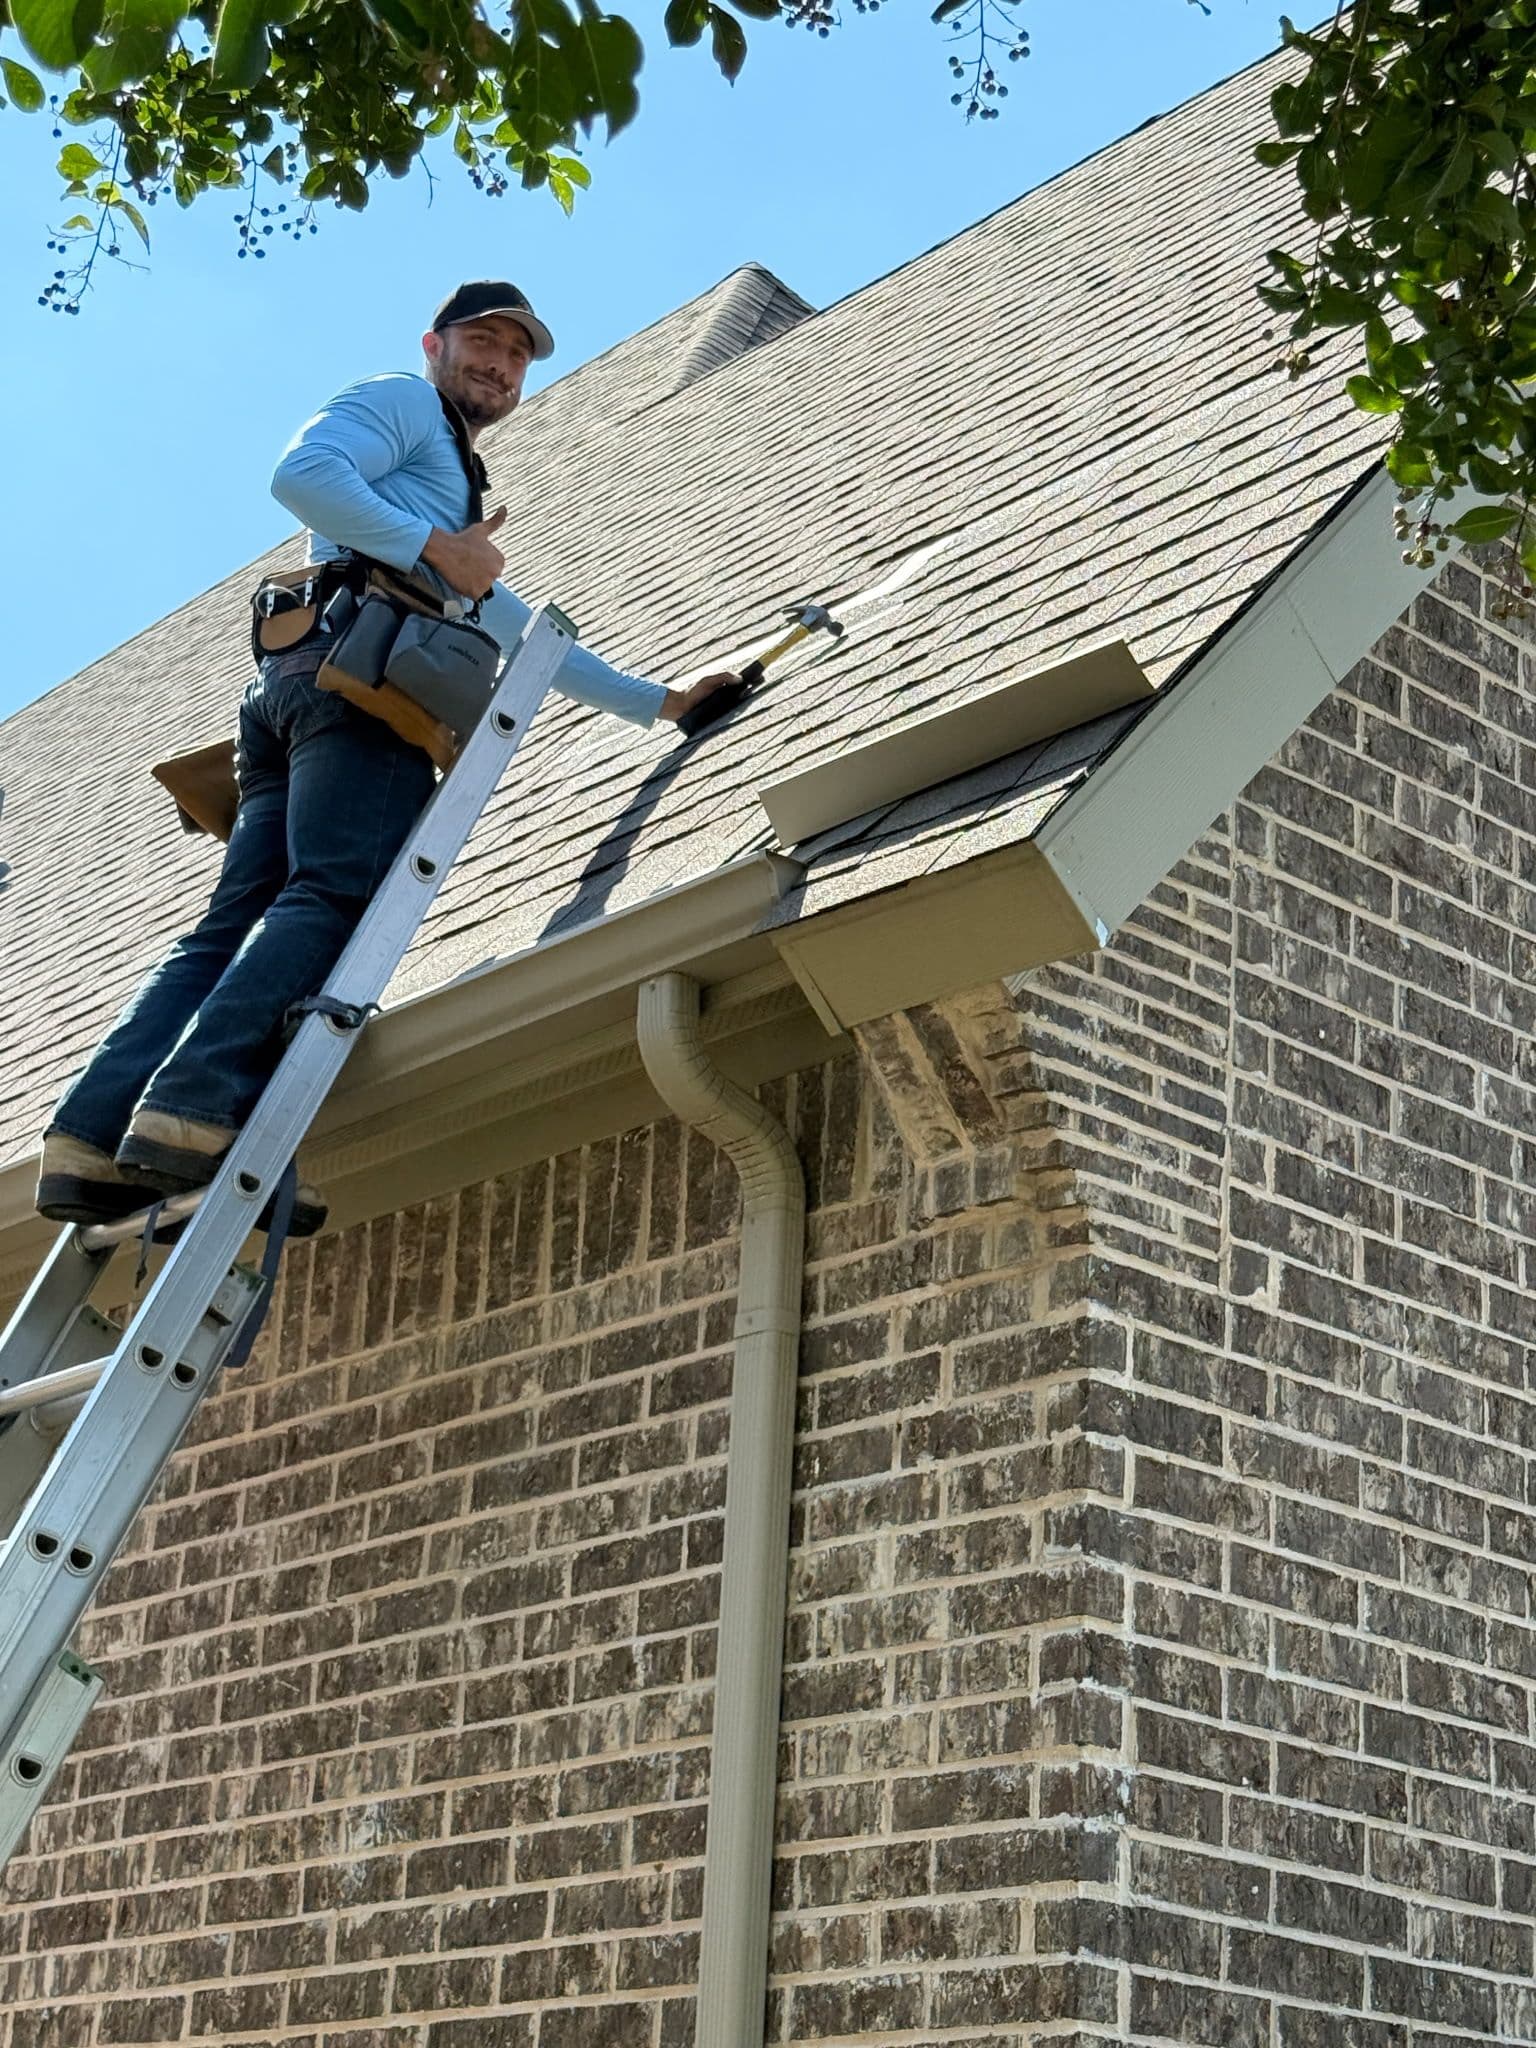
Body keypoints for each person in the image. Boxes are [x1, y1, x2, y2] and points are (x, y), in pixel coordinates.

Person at [36, 279, 734, 1233]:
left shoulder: (442, 481)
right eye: (482, 340)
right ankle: (194, 1110)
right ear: (433, 344)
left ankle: (90, 1133)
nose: (499, 361)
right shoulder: (403, 403)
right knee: (331, 892)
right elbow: (301, 475)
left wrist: (654, 702)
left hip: (307, 677)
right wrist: (435, 550)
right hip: (361, 684)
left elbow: (510, 623)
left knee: (236, 920)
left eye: (519, 353)